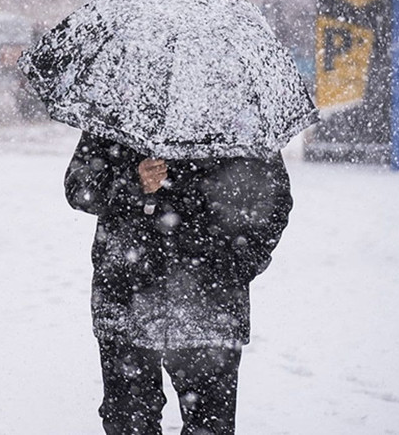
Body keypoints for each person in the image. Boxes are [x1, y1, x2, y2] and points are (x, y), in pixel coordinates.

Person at [65, 132, 293, 434]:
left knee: (210, 426)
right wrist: (133, 182)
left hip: (210, 306)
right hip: (127, 298)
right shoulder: (120, 109)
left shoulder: (236, 114)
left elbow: (274, 200)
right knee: (129, 423)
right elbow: (79, 187)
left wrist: (235, 266)